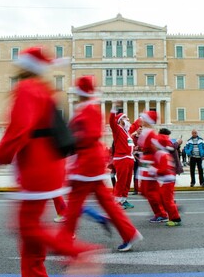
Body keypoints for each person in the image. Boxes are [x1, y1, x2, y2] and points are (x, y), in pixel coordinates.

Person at [0, 47, 102, 277]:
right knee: (31, 227)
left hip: (36, 167)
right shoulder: (43, 89)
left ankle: (80, 252)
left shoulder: (27, 88)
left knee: (27, 226)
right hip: (49, 165)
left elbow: (20, 128)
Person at [59, 76, 142, 252]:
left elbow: (90, 135)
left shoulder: (89, 110)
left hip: (86, 166)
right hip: (91, 165)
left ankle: (65, 242)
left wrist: (70, 140)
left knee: (74, 205)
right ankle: (129, 233)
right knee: (107, 204)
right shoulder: (90, 109)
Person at [137, 111, 168, 223]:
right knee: (145, 190)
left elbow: (156, 148)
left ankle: (161, 213)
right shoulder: (146, 132)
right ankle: (164, 208)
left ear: (147, 120)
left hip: (150, 163)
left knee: (150, 191)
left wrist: (157, 164)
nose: (141, 119)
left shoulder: (150, 133)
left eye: (143, 118)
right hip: (146, 162)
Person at [151, 134, 182, 226]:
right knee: (164, 199)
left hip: (168, 181)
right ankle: (173, 214)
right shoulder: (163, 153)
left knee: (167, 201)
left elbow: (163, 169)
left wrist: (154, 171)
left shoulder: (162, 154)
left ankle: (176, 218)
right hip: (167, 180)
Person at [109, 103, 135, 209]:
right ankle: (117, 202)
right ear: (120, 120)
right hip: (121, 159)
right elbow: (111, 122)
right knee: (121, 181)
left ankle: (124, 200)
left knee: (127, 181)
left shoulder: (127, 132)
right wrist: (113, 110)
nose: (128, 119)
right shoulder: (117, 129)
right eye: (125, 117)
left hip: (129, 158)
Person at [129, 118, 143, 195]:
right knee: (136, 174)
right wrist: (134, 148)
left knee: (143, 173)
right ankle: (136, 189)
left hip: (143, 157)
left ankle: (143, 189)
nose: (140, 130)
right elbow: (130, 146)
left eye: (141, 129)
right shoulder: (132, 137)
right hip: (135, 156)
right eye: (139, 129)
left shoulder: (144, 137)